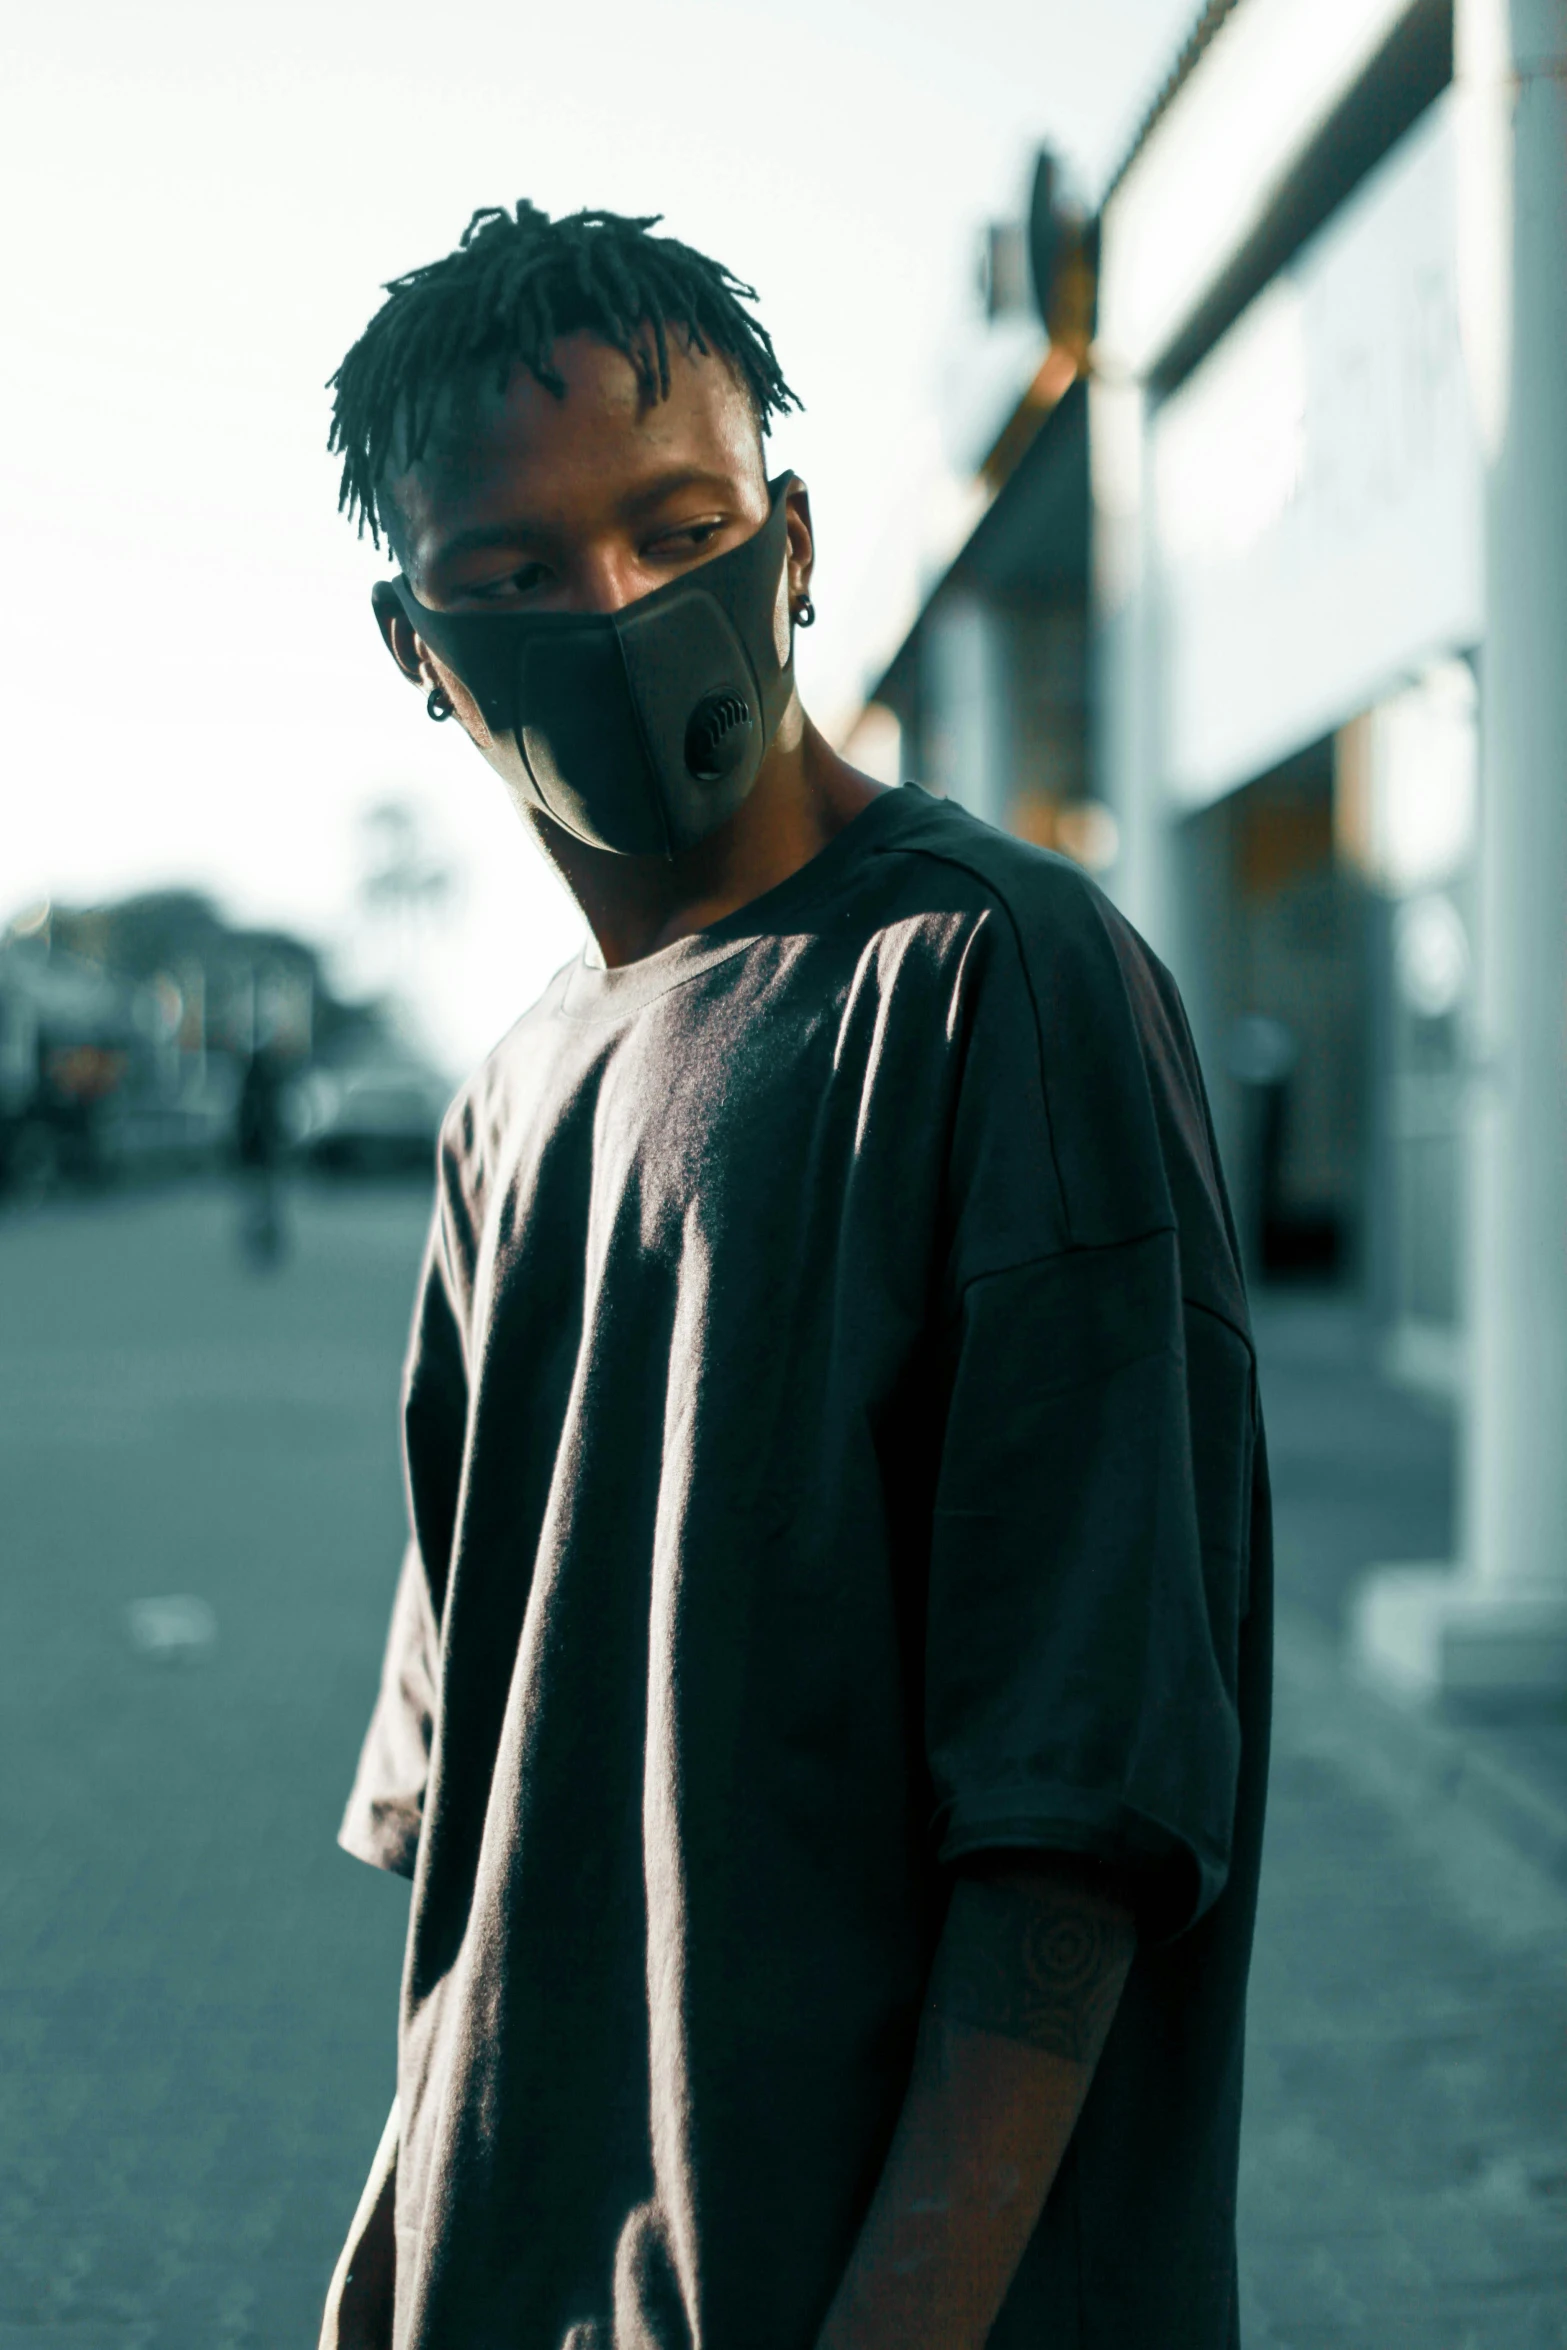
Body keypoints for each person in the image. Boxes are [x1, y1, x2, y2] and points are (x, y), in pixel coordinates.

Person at [318, 203, 1271, 2350]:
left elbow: (1084, 1803)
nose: (624, 608)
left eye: (680, 527)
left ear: (796, 535)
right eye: (518, 575)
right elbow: (473, 1827)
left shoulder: (995, 984)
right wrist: (389, 2247)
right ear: (416, 641)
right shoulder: (508, 1101)